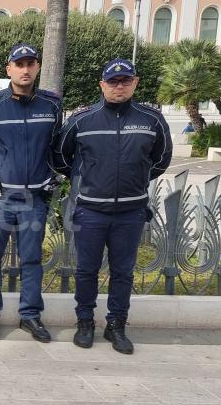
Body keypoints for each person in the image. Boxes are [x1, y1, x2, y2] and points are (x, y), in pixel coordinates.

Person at [54, 59, 172, 354]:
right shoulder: (82, 121)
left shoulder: (151, 120)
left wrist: (138, 176)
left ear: (135, 83)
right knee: (86, 270)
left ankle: (116, 325)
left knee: (123, 271)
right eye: (113, 82)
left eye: (125, 81)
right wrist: (87, 178)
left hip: (131, 212)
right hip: (91, 210)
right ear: (102, 85)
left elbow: (162, 158)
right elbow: (61, 158)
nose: (119, 86)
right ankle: (85, 323)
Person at [0, 43, 62, 343]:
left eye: (30, 64)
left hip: (35, 199)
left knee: (32, 259)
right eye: (19, 64)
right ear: (8, 69)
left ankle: (30, 316)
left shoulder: (51, 105)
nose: (25, 70)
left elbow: (56, 147)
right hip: (1, 198)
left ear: (37, 67)